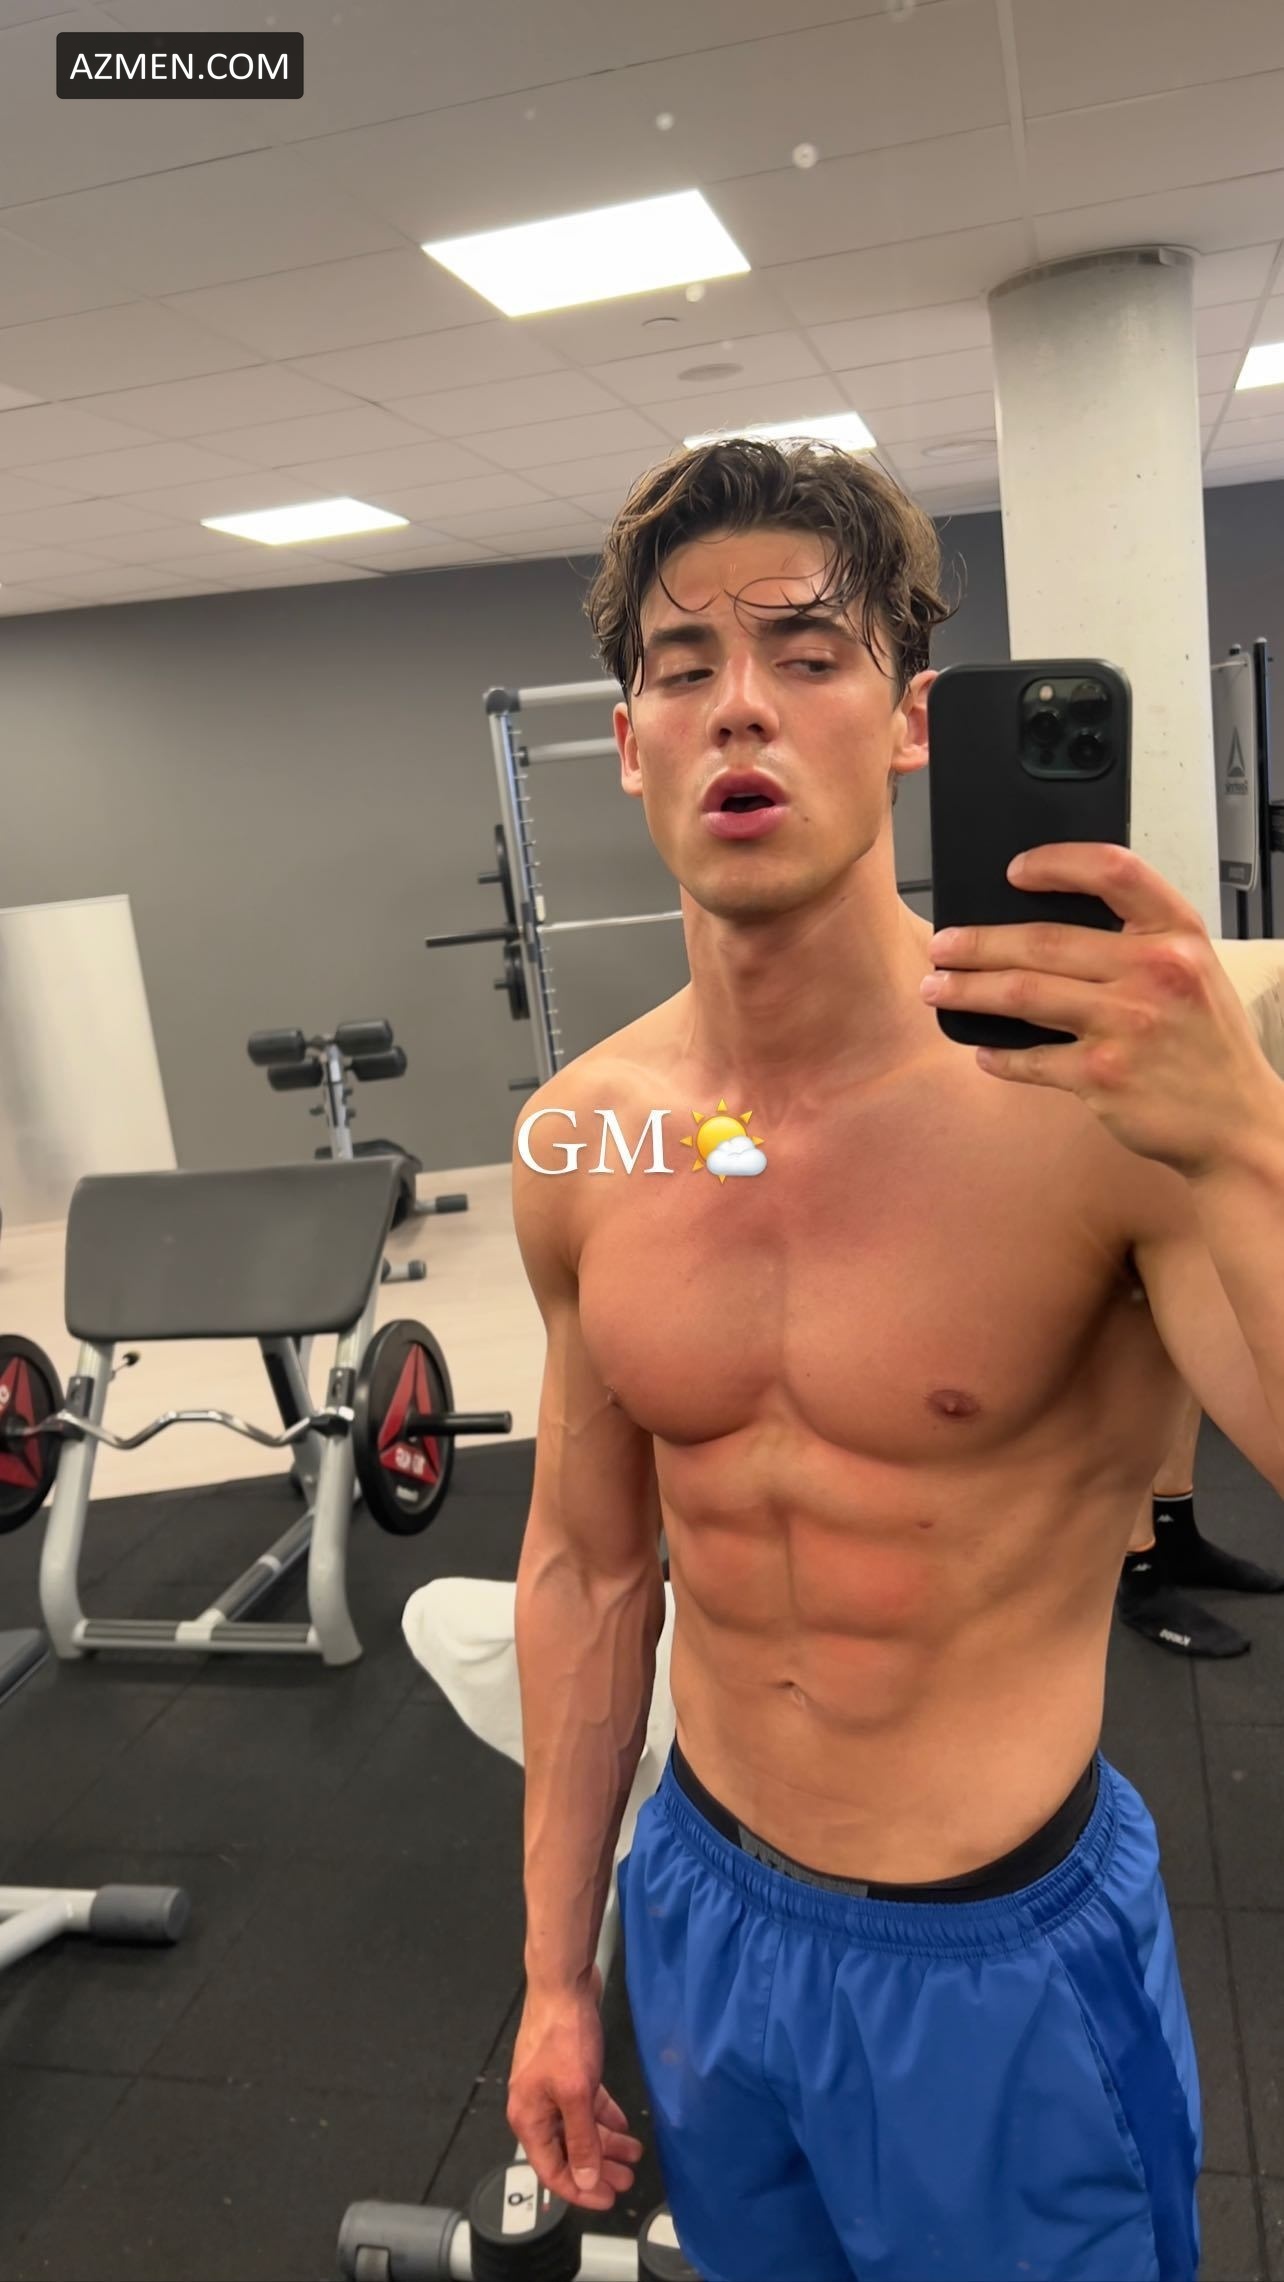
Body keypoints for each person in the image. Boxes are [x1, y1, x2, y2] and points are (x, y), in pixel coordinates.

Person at [504, 438, 1284, 2281]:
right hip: (703, 1907)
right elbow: (590, 1569)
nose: (741, 706)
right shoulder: (584, 1132)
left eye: (808, 654)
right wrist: (556, 1972)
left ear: (913, 721)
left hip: (1001, 1965)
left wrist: (1246, 1134)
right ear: (631, 745)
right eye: (684, 669)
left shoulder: (1092, 1108)